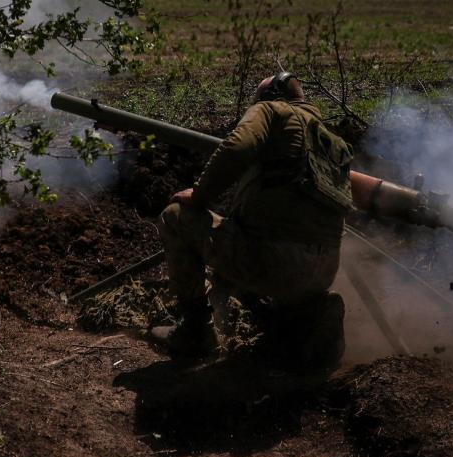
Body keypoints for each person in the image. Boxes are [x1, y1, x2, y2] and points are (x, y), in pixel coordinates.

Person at [148, 72, 354, 367]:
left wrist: (199, 196)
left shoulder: (272, 111)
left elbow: (237, 147)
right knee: (251, 245)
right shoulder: (334, 143)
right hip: (323, 272)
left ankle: (195, 333)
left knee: (174, 217)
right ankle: (305, 318)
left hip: (274, 263)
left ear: (270, 96)